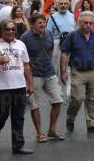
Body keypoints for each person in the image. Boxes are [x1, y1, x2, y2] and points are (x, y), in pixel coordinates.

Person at [0, 20, 35, 154]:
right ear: (1, 30)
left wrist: (30, 83)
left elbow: (26, 65)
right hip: (2, 87)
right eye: (7, 29)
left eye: (12, 29)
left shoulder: (21, 44)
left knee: (18, 117)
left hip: (19, 86)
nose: (10, 32)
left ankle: (18, 146)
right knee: (2, 115)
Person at [60, 11, 94, 135]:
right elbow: (65, 54)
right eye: (85, 23)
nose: (88, 25)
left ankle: (92, 124)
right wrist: (63, 71)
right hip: (78, 72)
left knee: (93, 100)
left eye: (90, 23)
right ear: (79, 23)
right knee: (78, 98)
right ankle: (70, 118)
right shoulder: (72, 36)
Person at [19, 14, 66, 143]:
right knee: (35, 105)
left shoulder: (49, 34)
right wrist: (28, 79)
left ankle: (52, 129)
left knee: (57, 101)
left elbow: (50, 51)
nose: (43, 25)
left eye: (44, 22)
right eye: (40, 23)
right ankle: (39, 133)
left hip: (49, 73)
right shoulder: (25, 38)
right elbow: (21, 58)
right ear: (32, 24)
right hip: (34, 76)